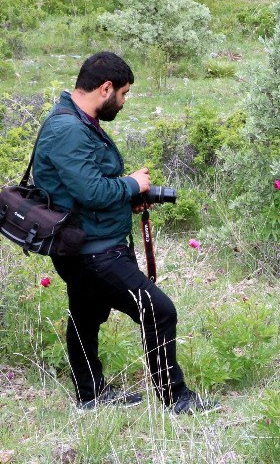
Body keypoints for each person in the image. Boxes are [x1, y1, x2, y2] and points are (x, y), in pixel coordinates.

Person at [32, 52, 218, 413]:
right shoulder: (69, 129)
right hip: (93, 252)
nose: (124, 101)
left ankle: (91, 395)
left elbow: (83, 190)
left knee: (85, 316)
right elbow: (93, 192)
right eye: (124, 93)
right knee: (158, 310)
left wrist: (126, 198)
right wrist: (131, 185)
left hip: (88, 244)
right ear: (106, 88)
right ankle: (174, 398)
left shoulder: (77, 121)